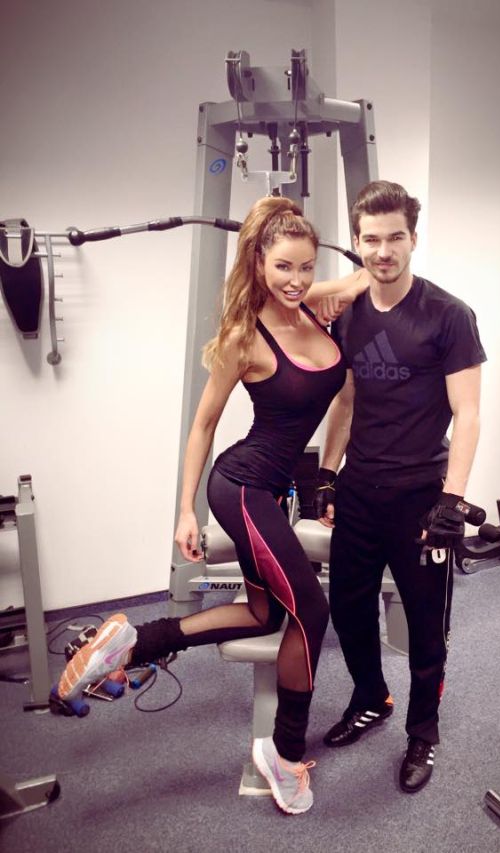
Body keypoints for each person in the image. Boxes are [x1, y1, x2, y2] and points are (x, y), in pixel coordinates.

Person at [56, 196, 365, 815]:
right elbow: (203, 425)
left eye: (306, 267)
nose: (295, 279)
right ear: (259, 263)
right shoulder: (245, 337)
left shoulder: (314, 306)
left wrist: (350, 272)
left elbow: (361, 278)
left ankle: (130, 644)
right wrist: (185, 510)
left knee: (262, 616)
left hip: (268, 491)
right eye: (283, 267)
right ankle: (284, 754)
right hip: (241, 486)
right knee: (310, 610)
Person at [314, 180, 486, 794]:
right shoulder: (349, 314)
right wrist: (327, 473)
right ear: (357, 241)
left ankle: (422, 732)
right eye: (371, 239)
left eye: (395, 238)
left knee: (424, 623)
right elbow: (346, 398)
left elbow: (468, 413)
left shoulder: (448, 315)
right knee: (347, 608)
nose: (383, 251)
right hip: (360, 491)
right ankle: (370, 697)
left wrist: (451, 500)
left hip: (420, 498)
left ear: (413, 238)